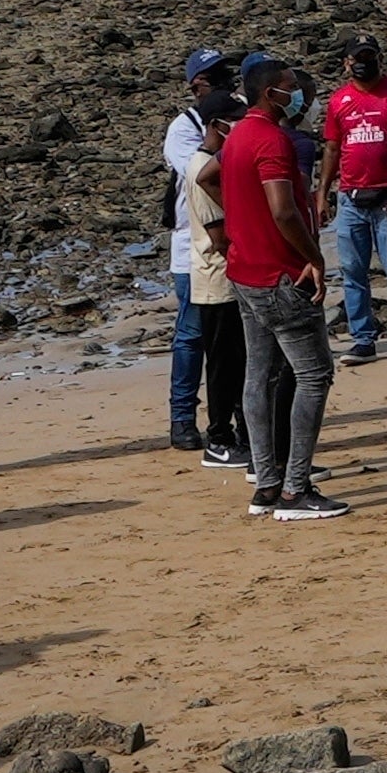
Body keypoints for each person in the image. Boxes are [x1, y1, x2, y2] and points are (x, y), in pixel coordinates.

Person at [212, 50, 344, 523]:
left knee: (259, 374)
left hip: (245, 270)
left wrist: (238, 224)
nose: (300, 95)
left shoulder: (238, 134)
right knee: (313, 375)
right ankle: (295, 489)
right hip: (280, 274)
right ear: (272, 94)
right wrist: (313, 256)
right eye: (292, 87)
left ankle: (267, 482)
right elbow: (285, 209)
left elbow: (209, 176)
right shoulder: (271, 139)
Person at [316, 39, 387, 358]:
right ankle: (363, 338)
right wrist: (322, 194)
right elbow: (331, 147)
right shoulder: (339, 101)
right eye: (357, 58)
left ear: (380, 59)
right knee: (353, 270)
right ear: (346, 63)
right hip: (350, 199)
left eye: (370, 57)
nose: (363, 63)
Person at [163, 53, 243, 466]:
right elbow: (206, 176)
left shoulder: (232, 118)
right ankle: (183, 418)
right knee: (194, 335)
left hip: (220, 240)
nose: (228, 83)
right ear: (197, 86)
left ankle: (232, 421)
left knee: (227, 342)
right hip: (192, 244)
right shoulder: (184, 130)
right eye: (218, 78)